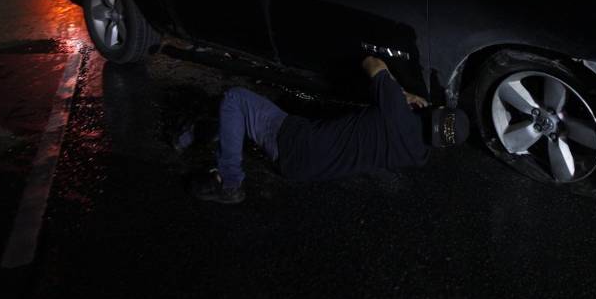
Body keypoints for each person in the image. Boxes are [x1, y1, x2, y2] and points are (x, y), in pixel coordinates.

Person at [191, 55, 469, 204]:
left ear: (434, 109)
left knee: (235, 99)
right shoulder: (418, 155)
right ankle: (204, 134)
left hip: (292, 141)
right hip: (305, 170)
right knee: (243, 119)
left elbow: (372, 63)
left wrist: (404, 94)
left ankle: (230, 181)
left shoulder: (396, 109)